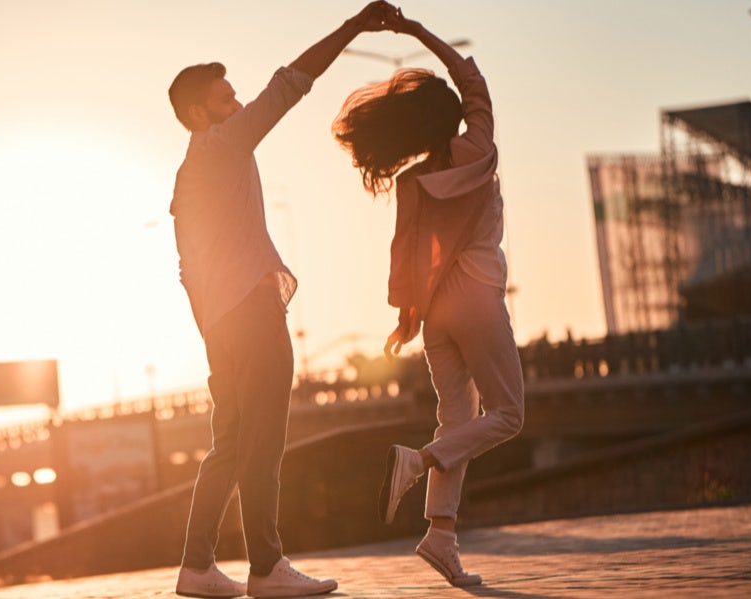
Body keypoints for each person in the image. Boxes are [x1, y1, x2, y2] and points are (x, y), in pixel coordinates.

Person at [167, 3, 395, 597]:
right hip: (251, 314)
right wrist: (352, 27)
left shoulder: (188, 174)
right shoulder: (223, 145)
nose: (238, 106)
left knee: (230, 446)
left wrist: (211, 331)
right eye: (225, 100)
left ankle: (196, 567)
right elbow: (290, 84)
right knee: (263, 445)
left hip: (220, 324)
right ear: (198, 114)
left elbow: (187, 268)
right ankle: (267, 569)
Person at [332, 7, 524, 588]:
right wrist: (417, 31)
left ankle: (441, 536)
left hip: (435, 307)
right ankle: (416, 462)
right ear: (452, 120)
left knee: (456, 419)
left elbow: (405, 251)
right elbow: (473, 82)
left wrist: (405, 314)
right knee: (509, 415)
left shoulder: (414, 181)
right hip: (476, 294)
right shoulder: (477, 150)